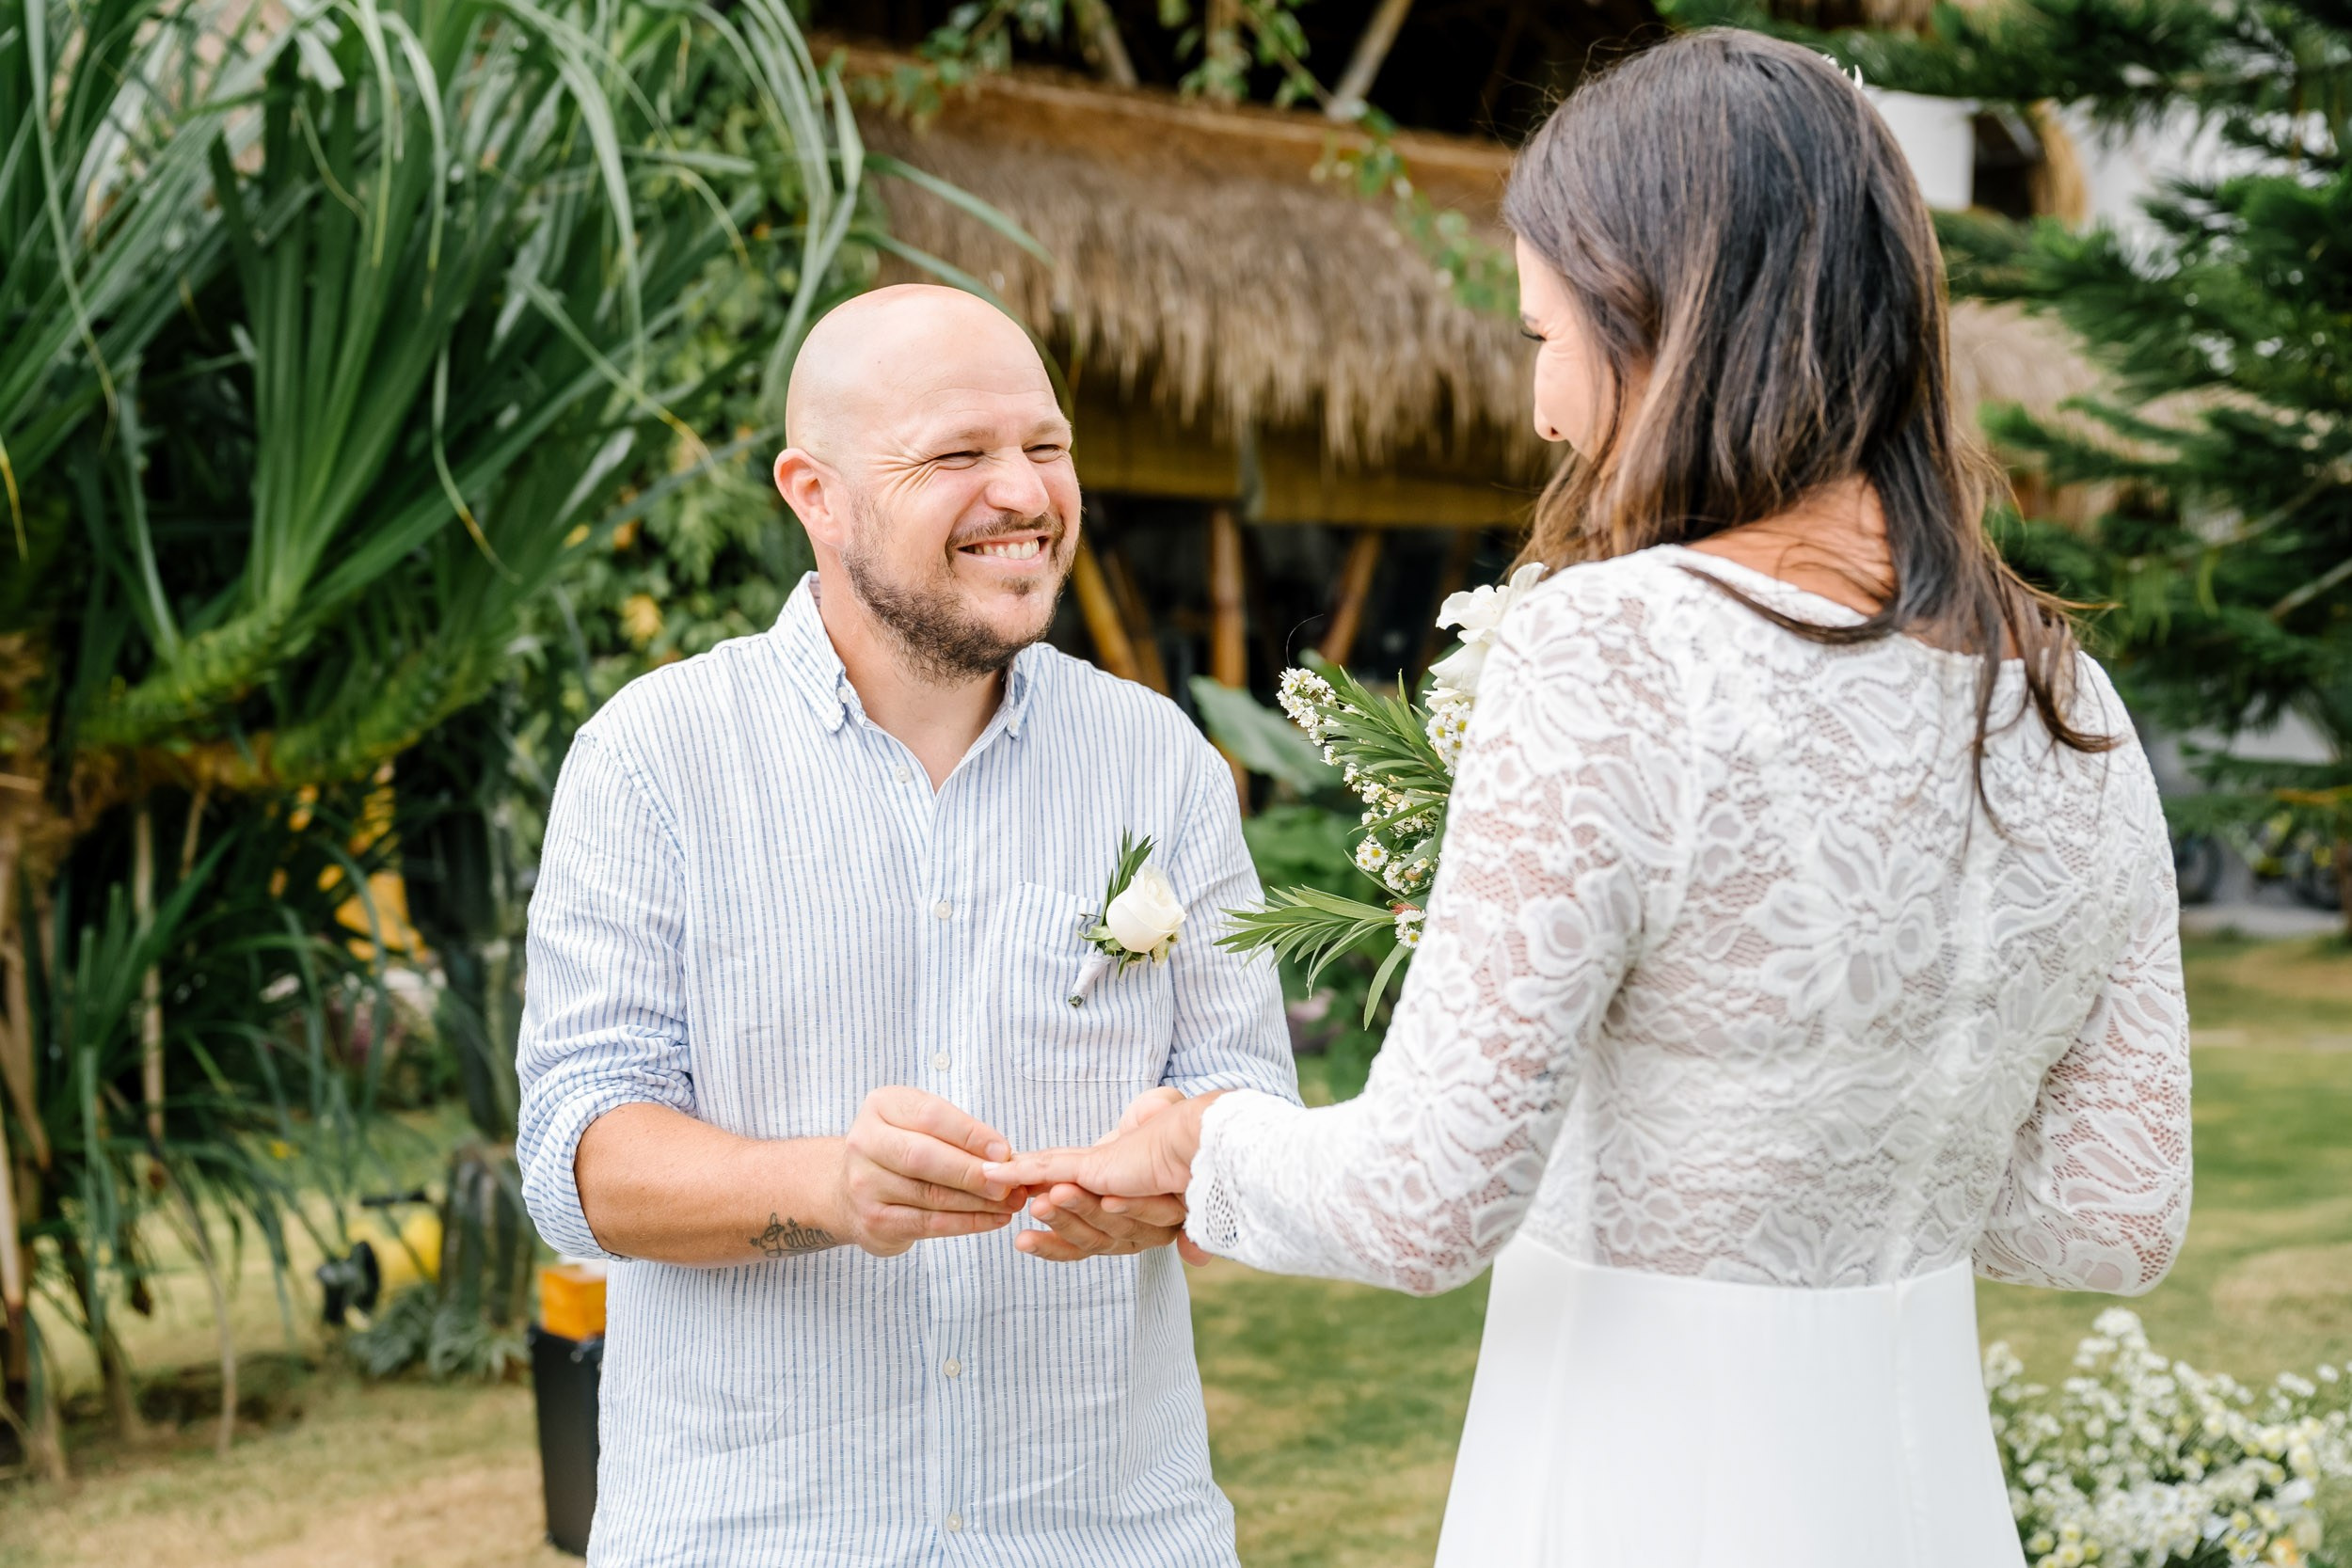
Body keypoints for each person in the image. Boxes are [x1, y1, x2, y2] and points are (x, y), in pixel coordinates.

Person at [986, 32, 2192, 1568]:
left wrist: (1198, 1145)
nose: (1547, 409)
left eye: (1543, 336)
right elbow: (2118, 1217)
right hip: (1927, 1503)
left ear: (1659, 328)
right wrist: (1844, 1171)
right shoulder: (2067, 699)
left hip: (1634, 1488)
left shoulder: (1616, 650)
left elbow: (1424, 1203)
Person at [515, 284, 1298, 1565]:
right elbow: (577, 1161)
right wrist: (827, 1185)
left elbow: (1244, 1109)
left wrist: (1182, 1173)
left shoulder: (1159, 761)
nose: (1026, 495)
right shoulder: (652, 761)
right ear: (813, 492)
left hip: (1103, 1534)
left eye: (1046, 447)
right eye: (958, 455)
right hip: (757, 1537)